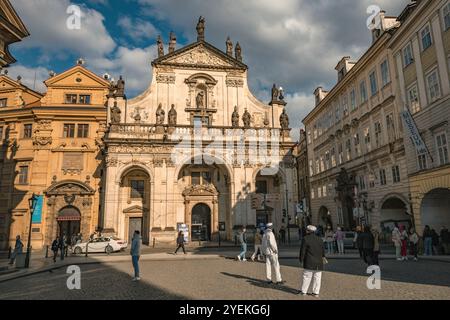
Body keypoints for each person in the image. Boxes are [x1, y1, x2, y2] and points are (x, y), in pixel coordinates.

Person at [297, 225, 325, 297]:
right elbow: (323, 251)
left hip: (309, 261)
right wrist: (323, 257)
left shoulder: (305, 239)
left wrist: (301, 259)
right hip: (319, 262)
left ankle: (304, 291)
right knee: (317, 278)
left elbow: (302, 251)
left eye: (307, 230)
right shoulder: (320, 239)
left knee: (307, 277)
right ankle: (316, 292)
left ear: (308, 231)